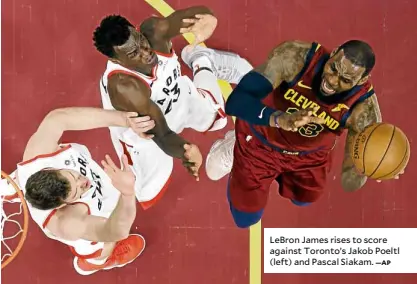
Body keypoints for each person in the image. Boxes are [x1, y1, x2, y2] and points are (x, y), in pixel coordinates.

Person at [205, 40, 404, 228]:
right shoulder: (296, 58)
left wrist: (367, 168)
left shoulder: (363, 114)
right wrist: (279, 119)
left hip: (310, 159)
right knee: (244, 220)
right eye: (333, 68)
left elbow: (348, 181)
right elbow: (235, 103)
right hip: (261, 142)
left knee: (302, 200)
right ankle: (235, 144)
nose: (332, 81)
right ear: (333, 53)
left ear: (362, 80)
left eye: (345, 80)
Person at [92, 8, 252, 210]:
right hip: (144, 130)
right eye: (134, 53)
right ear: (116, 60)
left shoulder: (154, 30)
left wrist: (208, 18)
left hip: (176, 97)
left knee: (216, 118)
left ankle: (202, 60)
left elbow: (198, 15)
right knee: (146, 192)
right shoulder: (125, 87)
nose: (145, 52)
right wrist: (187, 152)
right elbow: (163, 134)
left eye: (140, 41)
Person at [11, 107, 154, 275]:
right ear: (62, 204)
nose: (84, 181)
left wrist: (124, 119)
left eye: (73, 175)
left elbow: (58, 118)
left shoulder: (38, 154)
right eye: (77, 191)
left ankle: (14, 186)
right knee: (104, 245)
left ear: (51, 169)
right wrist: (127, 193)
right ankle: (98, 262)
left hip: (35, 176)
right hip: (95, 225)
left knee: (24, 173)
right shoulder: (68, 223)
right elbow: (116, 231)